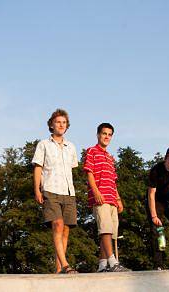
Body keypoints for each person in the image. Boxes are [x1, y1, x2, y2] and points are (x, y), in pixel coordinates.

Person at [33, 109, 80, 274]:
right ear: (51, 125)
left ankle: (59, 268)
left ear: (67, 126)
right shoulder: (44, 145)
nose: (61, 125)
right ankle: (66, 265)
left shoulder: (71, 147)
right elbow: (38, 168)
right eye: (58, 122)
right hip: (50, 190)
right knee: (57, 225)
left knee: (66, 229)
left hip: (68, 192)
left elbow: (72, 169)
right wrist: (37, 190)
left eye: (64, 122)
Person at [84, 123, 127, 272]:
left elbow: (113, 181)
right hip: (100, 198)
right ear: (98, 135)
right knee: (105, 230)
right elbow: (89, 173)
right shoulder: (92, 151)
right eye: (104, 133)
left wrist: (118, 199)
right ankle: (113, 262)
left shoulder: (110, 157)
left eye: (109, 134)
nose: (106, 137)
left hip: (112, 200)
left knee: (110, 232)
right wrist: (96, 192)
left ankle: (102, 265)